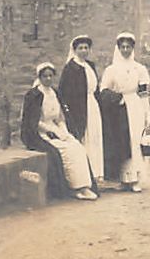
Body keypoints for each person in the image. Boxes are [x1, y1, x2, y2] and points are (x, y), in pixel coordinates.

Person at [20, 62, 98, 201]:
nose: (48, 79)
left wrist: (64, 132)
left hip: (56, 129)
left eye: (51, 76)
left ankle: (84, 187)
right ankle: (74, 187)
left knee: (77, 147)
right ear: (40, 77)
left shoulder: (55, 93)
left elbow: (60, 117)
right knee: (65, 151)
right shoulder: (34, 95)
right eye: (45, 76)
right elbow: (33, 121)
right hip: (41, 133)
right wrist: (51, 131)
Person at [99, 32, 150, 193]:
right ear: (118, 48)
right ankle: (124, 179)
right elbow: (103, 90)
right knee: (122, 142)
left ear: (132, 48)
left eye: (128, 47)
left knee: (135, 142)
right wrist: (118, 98)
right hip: (118, 109)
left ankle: (136, 179)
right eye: (122, 47)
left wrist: (147, 113)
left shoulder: (140, 69)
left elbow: (143, 93)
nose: (125, 50)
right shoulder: (111, 69)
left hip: (135, 106)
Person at [59, 35, 104, 182]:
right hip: (79, 108)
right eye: (80, 48)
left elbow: (95, 88)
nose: (84, 51)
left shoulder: (90, 65)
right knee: (84, 138)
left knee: (95, 137)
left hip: (92, 105)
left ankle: (97, 173)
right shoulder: (70, 68)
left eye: (86, 48)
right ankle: (85, 176)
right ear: (75, 50)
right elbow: (64, 93)